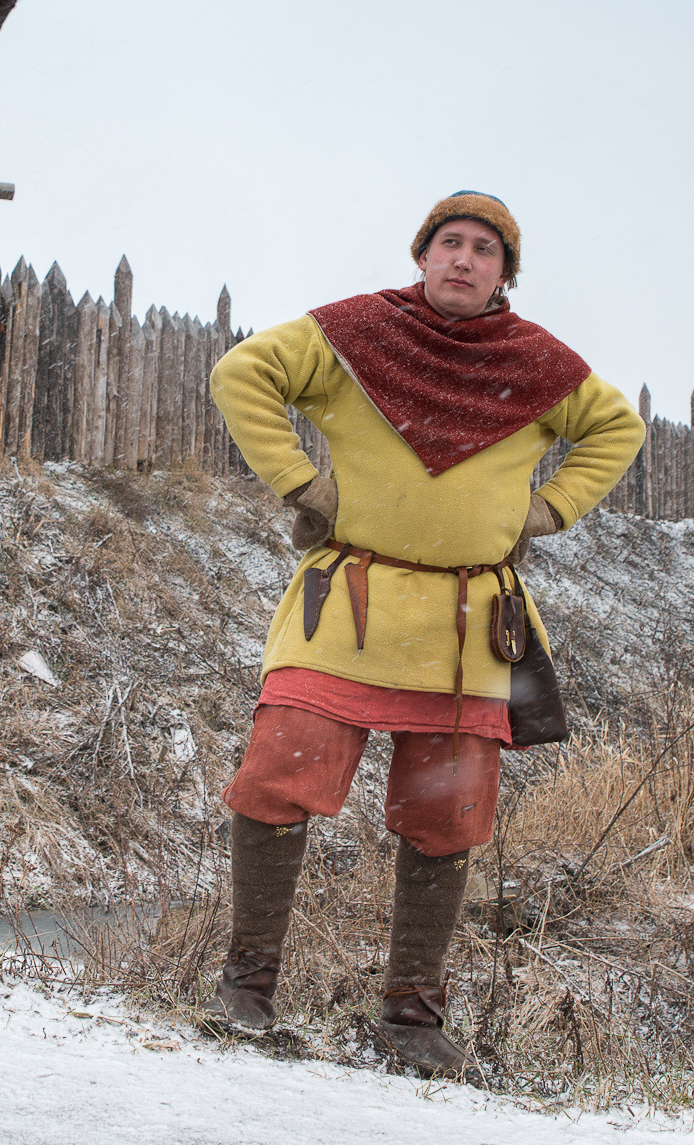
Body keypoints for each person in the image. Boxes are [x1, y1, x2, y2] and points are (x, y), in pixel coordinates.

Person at [204, 191, 644, 1073]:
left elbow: (616, 427)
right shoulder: (353, 336)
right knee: (276, 776)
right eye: (451, 242)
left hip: (468, 625)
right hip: (346, 609)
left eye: (486, 249)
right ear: (423, 253)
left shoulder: (536, 364)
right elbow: (240, 374)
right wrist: (303, 483)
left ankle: (411, 1015)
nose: (465, 258)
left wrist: (549, 508)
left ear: (503, 274)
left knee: (447, 816)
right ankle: (246, 987)